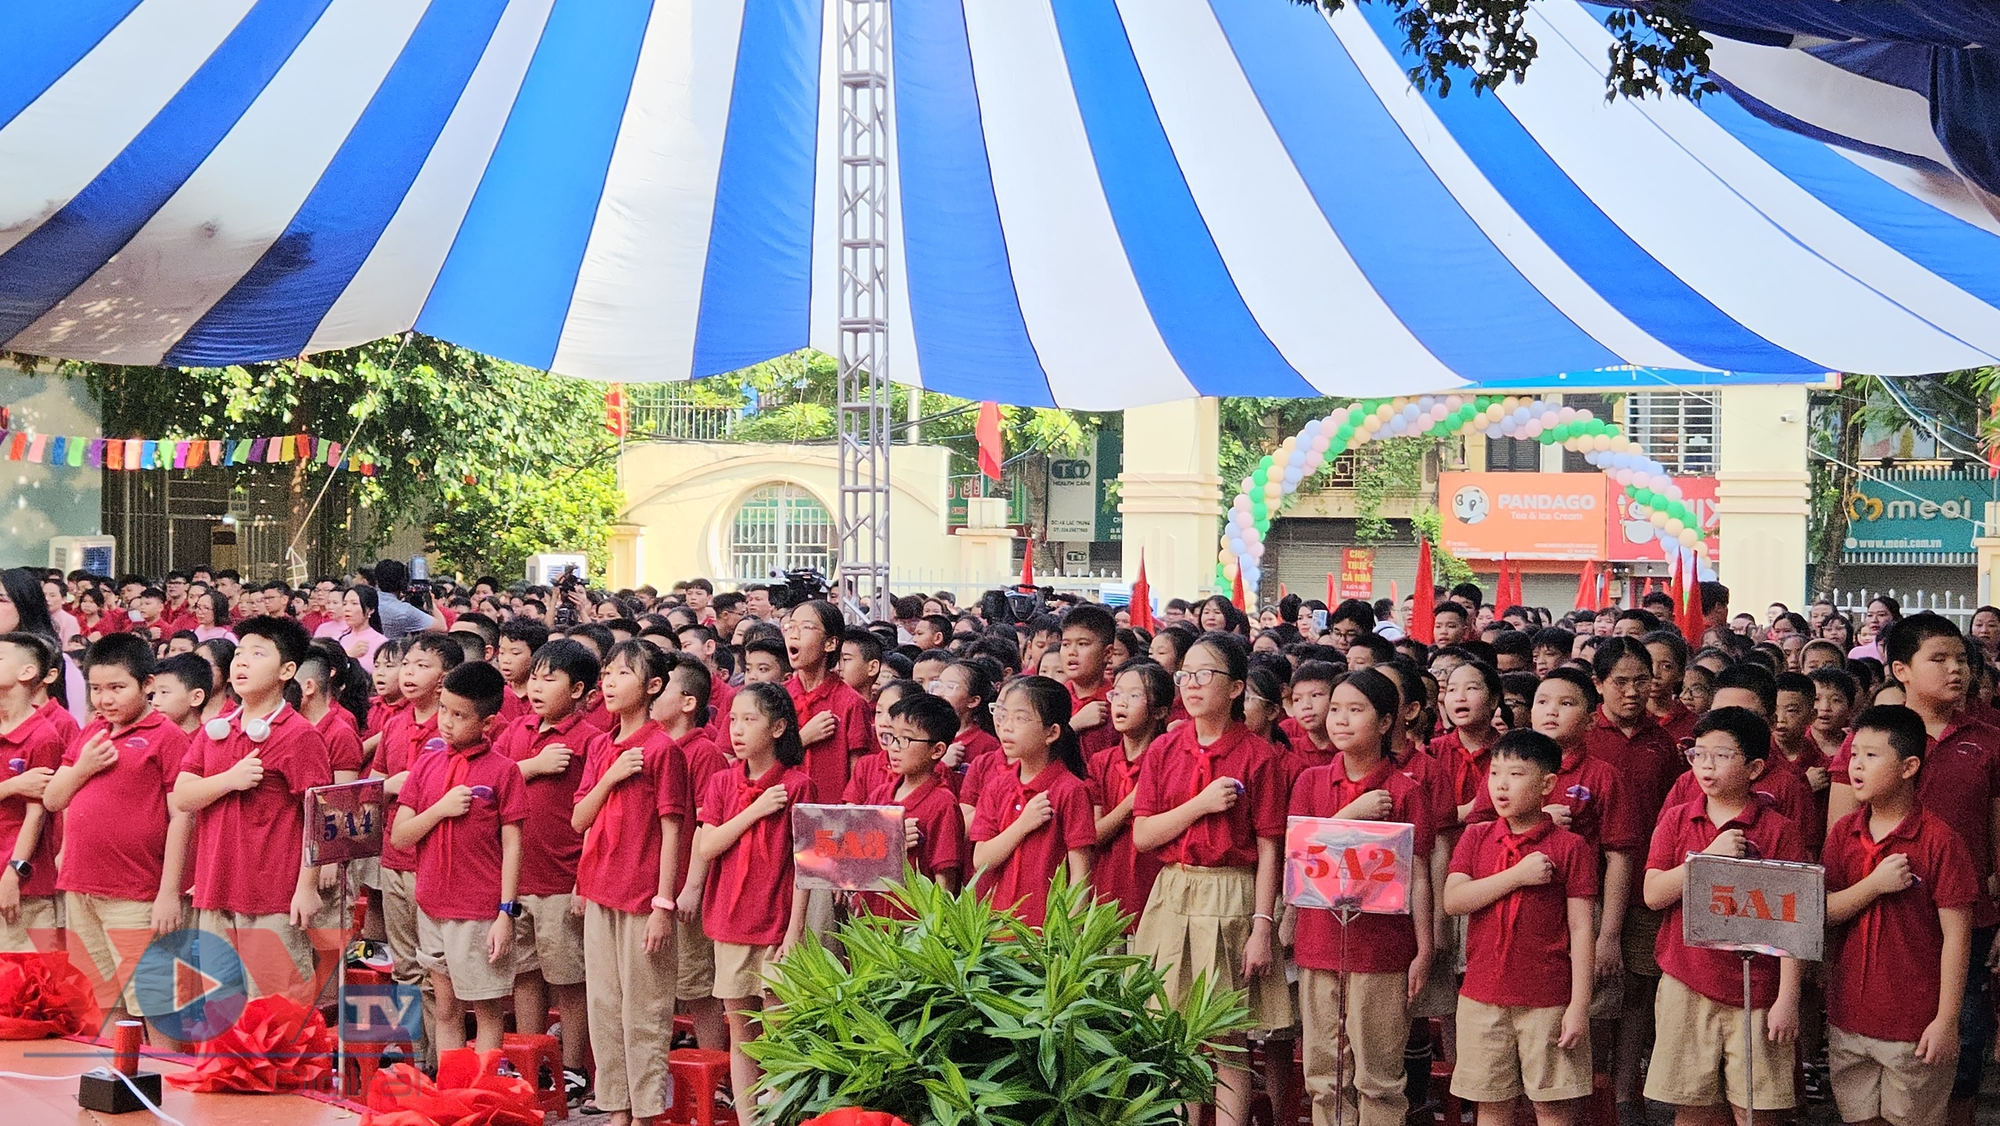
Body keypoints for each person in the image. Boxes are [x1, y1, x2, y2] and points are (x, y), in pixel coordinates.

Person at [1827, 614, 2000, 1126]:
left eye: (1962, 659)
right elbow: (1839, 839)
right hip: (1872, 919)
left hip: (1964, 920)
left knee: (1957, 1061)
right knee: (1867, 1061)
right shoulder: (1869, 739)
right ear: (1901, 669)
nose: (1957, 670)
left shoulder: (1989, 736)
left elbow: (1996, 832)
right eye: (1939, 659)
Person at [1133, 631, 1289, 1126]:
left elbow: (1269, 849)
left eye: (1206, 674)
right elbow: (1142, 835)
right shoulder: (1163, 748)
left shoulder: (1259, 756)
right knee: (1172, 1030)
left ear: (1237, 687)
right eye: (1186, 675)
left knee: (1227, 1040)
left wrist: (1263, 926)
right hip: (1173, 887)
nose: (1192, 684)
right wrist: (1200, 805)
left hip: (1232, 891)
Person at [1641, 707, 1805, 1124]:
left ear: (1754, 768)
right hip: (1687, 979)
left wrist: (1788, 996)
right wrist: (1704, 859)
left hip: (1758, 988)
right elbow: (1653, 894)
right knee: (1692, 1107)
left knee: (1758, 1108)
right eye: (1699, 754)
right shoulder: (1679, 819)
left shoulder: (1778, 829)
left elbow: (1793, 920)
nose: (1706, 765)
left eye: (1722, 755)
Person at [1289, 668, 1435, 1126]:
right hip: (1319, 943)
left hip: (1384, 949)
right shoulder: (1311, 782)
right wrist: (1353, 812)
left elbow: (1420, 876)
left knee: (1379, 1077)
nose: (1341, 720)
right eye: (1335, 710)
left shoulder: (1407, 790)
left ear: (1387, 721)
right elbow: (1300, 854)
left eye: (1356, 710)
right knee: (1323, 1073)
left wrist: (1425, 946)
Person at [1823, 705, 1976, 1126]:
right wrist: (1872, 886)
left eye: (1872, 756)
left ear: (1909, 766)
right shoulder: (1844, 832)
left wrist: (1946, 1020)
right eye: (1854, 754)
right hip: (1849, 1015)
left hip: (1914, 1023)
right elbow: (1822, 912)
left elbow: (1958, 937)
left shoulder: (1939, 840)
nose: (1856, 765)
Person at [170, 615, 330, 1001]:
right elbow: (183, 796)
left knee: (277, 1012)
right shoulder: (216, 729)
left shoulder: (299, 736)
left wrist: (306, 889)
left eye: (257, 654)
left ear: (286, 670)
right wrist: (230, 779)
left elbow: (320, 815)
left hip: (272, 896)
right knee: (218, 1008)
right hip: (214, 889)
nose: (241, 662)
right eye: (239, 653)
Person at [1444, 729, 1597, 1126]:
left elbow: (1582, 929)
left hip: (1548, 997)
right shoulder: (1476, 837)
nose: (1501, 785)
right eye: (1495, 774)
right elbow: (1454, 900)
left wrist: (1579, 1005)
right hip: (1481, 994)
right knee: (1491, 1102)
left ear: (1547, 784)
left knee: (1552, 1104)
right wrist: (1517, 875)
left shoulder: (1570, 847)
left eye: (1516, 775)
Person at [572, 642, 686, 1126]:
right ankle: (616, 1108)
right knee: (603, 1005)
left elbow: (674, 830)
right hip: (600, 890)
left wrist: (664, 904)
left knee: (646, 1009)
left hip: (644, 898)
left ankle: (645, 1113)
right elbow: (579, 819)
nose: (610, 682)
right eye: (608, 673)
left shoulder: (664, 750)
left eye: (623, 674)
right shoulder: (602, 747)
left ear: (653, 686)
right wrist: (611, 775)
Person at [389, 661, 524, 1053]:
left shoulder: (504, 771)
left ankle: (483, 1096)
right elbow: (400, 836)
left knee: (485, 1009)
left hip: (479, 910)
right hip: (431, 904)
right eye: (443, 709)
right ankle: (451, 1098)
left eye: (459, 715)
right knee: (445, 1007)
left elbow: (513, 845)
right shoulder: (427, 763)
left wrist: (505, 912)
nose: (446, 722)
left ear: (488, 722)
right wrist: (441, 809)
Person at [696, 682, 814, 1126]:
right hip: (729, 918)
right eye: (733, 720)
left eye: (751, 719)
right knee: (741, 1032)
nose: (738, 730)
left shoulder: (800, 784)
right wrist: (757, 808)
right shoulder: (722, 782)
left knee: (779, 1028)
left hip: (778, 922)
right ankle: (748, 1119)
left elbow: (806, 863)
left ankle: (779, 1116)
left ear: (779, 727)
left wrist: (795, 930)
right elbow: (708, 847)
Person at [497, 639, 603, 1100]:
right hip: (516, 878)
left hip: (562, 878)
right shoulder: (516, 730)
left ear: (579, 689)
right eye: (534, 677)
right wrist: (533, 766)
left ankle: (575, 1065)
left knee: (568, 979)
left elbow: (597, 818)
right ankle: (530, 1061)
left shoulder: (591, 740)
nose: (537, 687)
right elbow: (489, 781)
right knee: (525, 974)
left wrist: (584, 877)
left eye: (550, 678)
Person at [373, 633, 463, 1063]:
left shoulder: (452, 728)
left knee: (436, 971)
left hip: (435, 863)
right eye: (405, 664)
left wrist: (399, 786)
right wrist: (390, 786)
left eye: (421, 666)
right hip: (393, 858)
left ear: (444, 677)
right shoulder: (393, 723)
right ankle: (410, 1053)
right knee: (404, 964)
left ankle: (437, 1060)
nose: (408, 673)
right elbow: (377, 785)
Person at [972, 675, 1095, 927]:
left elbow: (1080, 875)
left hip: (1045, 931)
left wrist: (1065, 935)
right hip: (997, 928)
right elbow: (981, 859)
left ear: (1052, 733)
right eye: (1003, 715)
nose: (1006, 726)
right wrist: (1023, 824)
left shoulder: (1071, 790)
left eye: (1020, 718)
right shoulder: (997, 786)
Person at [852, 691, 969, 914]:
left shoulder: (942, 803)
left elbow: (944, 883)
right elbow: (853, 859)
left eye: (905, 739)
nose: (894, 747)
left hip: (913, 930)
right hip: (871, 925)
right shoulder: (879, 795)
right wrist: (889, 841)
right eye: (891, 737)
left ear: (937, 750)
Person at [1091, 660, 1172, 929]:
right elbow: (1093, 835)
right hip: (1106, 892)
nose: (1121, 703)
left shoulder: (1170, 761)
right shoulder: (1101, 762)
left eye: (1134, 695)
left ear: (1160, 711)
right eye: (1117, 693)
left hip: (1155, 894)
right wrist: (1129, 804)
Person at [782, 601, 871, 806]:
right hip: (782, 810)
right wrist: (802, 739)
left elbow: (858, 775)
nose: (794, 635)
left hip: (830, 818)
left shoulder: (851, 702)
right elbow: (763, 762)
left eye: (806, 627)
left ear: (830, 644)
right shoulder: (779, 696)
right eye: (790, 627)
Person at [1061, 604, 1121, 759]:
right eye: (1066, 644)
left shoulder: (1118, 702)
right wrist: (1073, 726)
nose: (1071, 652)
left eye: (1082, 644)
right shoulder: (1051, 700)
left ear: (1107, 653)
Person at [372, 559, 445, 639]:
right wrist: (430, 604)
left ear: (377, 580)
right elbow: (442, 627)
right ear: (403, 581)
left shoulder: (367, 600)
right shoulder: (405, 611)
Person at [150, 653, 214, 734]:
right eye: (154, 694)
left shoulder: (208, 742)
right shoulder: (150, 738)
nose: (154, 702)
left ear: (196, 697)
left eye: (164, 692)